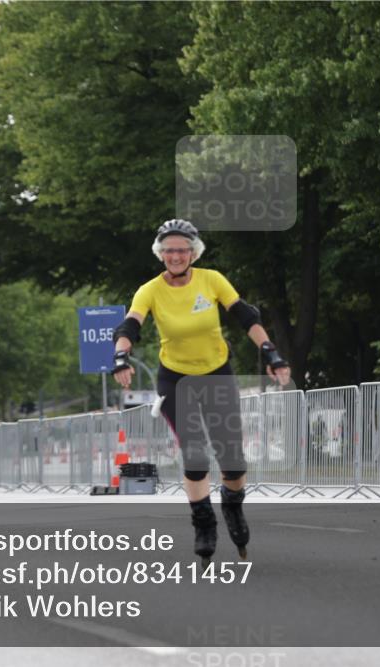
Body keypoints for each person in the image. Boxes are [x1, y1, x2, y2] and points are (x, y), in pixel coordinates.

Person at [112, 219, 290, 564]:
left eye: (182, 249)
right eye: (169, 250)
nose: (176, 256)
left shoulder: (212, 280)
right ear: (160, 254)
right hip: (175, 378)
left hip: (217, 374)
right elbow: (130, 324)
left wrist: (271, 352)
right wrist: (121, 355)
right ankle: (203, 522)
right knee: (194, 453)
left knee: (232, 459)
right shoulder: (149, 290)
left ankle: (233, 507)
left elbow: (246, 316)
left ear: (193, 252)